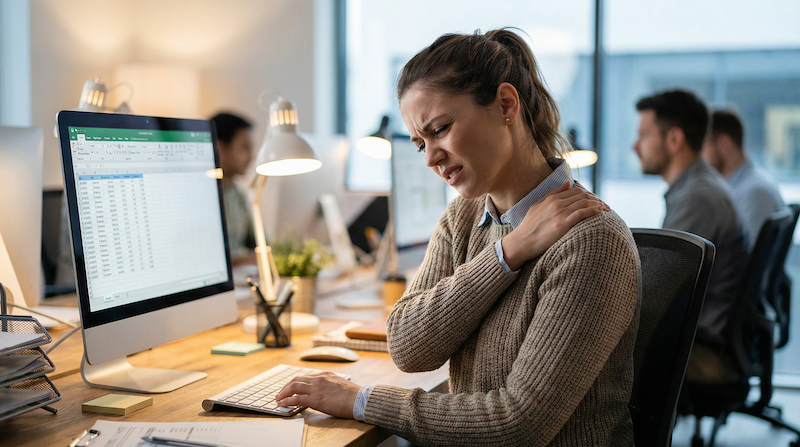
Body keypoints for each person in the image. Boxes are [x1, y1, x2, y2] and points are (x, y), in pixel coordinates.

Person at [276, 29, 641, 446]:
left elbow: (516, 425)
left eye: (441, 129)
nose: (430, 158)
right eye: (419, 143)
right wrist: (508, 251)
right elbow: (409, 348)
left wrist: (362, 400)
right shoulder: (464, 217)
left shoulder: (592, 241)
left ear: (506, 105)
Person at [633, 90, 748, 384]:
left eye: (644, 136)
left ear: (674, 140)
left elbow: (655, 295)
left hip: (703, 351)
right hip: (706, 338)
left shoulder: (698, 199)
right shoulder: (700, 187)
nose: (635, 147)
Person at [702, 109, 786, 249]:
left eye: (702, 147)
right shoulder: (747, 183)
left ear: (724, 144)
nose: (701, 157)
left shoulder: (754, 193)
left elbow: (748, 262)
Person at [210, 112, 257, 265]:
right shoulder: (199, 195)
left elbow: (258, 242)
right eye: (245, 148)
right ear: (220, 147)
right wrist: (241, 259)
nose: (250, 157)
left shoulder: (237, 192)